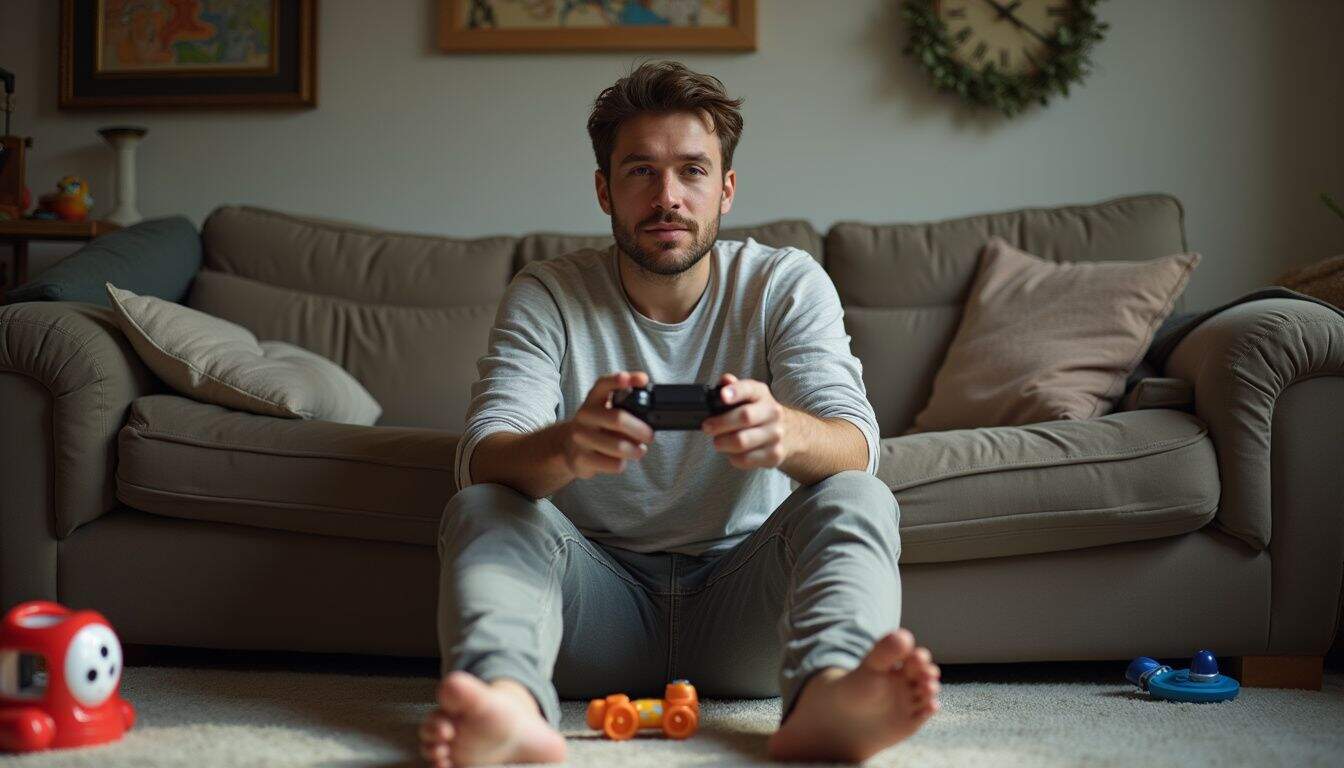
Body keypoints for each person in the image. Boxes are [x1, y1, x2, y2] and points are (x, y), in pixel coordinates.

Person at [419, 61, 940, 767]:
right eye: (641, 172)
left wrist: (785, 431)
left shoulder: (784, 282)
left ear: (726, 188)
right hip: (591, 610)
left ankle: (826, 698)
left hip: (747, 613)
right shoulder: (547, 293)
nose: (667, 197)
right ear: (604, 190)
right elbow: (482, 457)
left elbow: (859, 449)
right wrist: (567, 446)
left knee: (857, 495)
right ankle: (507, 705)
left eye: (692, 171)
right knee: (484, 505)